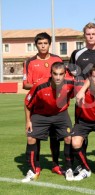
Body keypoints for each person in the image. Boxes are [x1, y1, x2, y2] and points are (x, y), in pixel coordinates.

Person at [22, 32, 66, 176]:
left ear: (49, 44)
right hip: (37, 104)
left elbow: (63, 79)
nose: (43, 46)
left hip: (55, 104)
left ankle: (55, 164)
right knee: (36, 136)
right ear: (36, 45)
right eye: (40, 43)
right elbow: (25, 84)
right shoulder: (29, 62)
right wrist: (38, 85)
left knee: (55, 136)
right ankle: (37, 165)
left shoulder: (57, 59)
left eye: (45, 43)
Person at [22, 62, 74, 182]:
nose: (58, 77)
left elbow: (74, 93)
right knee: (31, 138)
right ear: (51, 74)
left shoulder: (71, 83)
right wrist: (28, 121)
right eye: (55, 74)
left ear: (65, 74)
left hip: (60, 114)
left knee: (68, 138)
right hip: (40, 115)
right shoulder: (40, 85)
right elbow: (27, 104)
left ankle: (69, 169)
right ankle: (31, 170)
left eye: (61, 74)